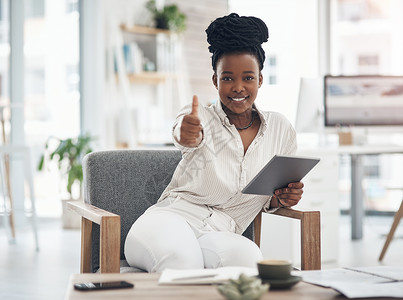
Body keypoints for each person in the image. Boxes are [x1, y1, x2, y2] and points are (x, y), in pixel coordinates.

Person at [124, 13, 304, 273]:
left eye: (248, 78)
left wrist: (285, 198)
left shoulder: (281, 130)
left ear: (260, 79)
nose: (238, 87)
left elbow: (271, 197)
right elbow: (184, 134)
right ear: (215, 81)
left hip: (222, 232)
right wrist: (186, 133)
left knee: (251, 263)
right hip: (171, 219)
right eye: (228, 78)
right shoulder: (199, 117)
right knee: (183, 262)